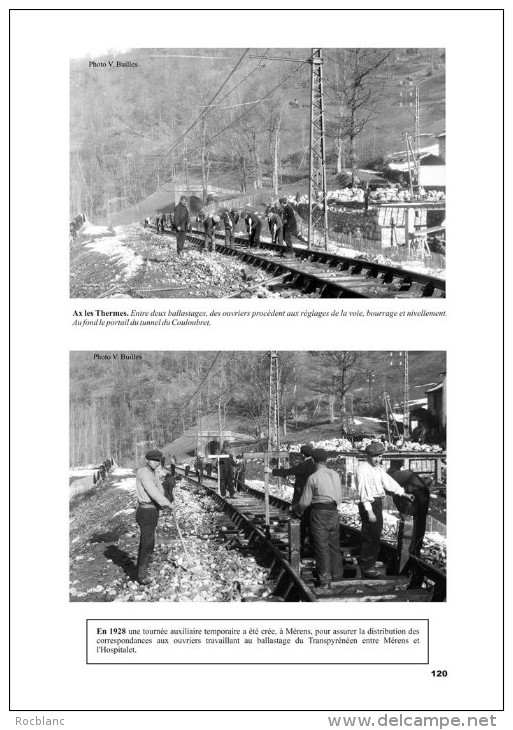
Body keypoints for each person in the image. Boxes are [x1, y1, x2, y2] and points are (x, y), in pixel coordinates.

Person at [355, 442, 414, 578]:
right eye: (375, 457)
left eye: (380, 456)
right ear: (368, 456)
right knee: (370, 535)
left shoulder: (377, 469)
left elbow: (388, 481)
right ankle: (366, 566)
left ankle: (370, 562)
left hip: (377, 502)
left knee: (376, 533)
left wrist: (402, 493)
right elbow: (363, 491)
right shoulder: (363, 469)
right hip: (369, 503)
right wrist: (369, 511)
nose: (378, 459)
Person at [298, 449, 344, 594]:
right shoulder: (335, 474)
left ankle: (325, 583)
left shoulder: (313, 477)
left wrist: (296, 508)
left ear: (313, 461)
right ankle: (337, 578)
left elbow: (305, 502)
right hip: (334, 512)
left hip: (319, 513)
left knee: (321, 547)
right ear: (327, 460)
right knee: (334, 546)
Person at [135, 449, 175, 584]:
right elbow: (153, 492)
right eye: (153, 460)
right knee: (148, 543)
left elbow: (160, 490)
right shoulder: (144, 473)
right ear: (147, 460)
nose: (155, 463)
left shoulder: (152, 473)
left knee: (146, 542)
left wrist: (166, 497)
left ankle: (141, 571)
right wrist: (167, 504)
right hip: (146, 512)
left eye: (158, 461)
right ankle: (141, 576)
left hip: (151, 511)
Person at [269, 444, 316, 550]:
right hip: (314, 499)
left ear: (302, 455)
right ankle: (312, 545)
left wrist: (272, 471)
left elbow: (288, 472)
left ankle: (300, 545)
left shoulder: (304, 466)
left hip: (302, 498)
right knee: (312, 523)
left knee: (302, 522)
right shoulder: (315, 465)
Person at [387, 460, 431, 558]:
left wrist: (402, 511)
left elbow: (396, 495)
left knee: (409, 522)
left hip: (417, 494)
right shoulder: (402, 474)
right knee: (420, 523)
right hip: (423, 493)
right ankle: (415, 550)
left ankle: (408, 551)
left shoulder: (391, 478)